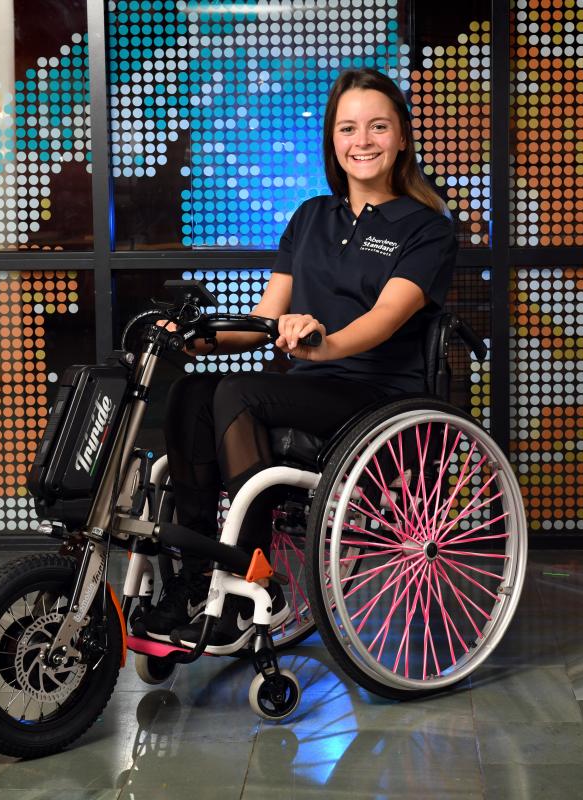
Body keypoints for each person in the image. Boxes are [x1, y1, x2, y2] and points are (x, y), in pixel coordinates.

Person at [141, 67, 457, 650]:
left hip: (380, 397)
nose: (363, 141)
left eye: (378, 126)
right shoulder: (311, 216)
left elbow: (385, 318)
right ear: (333, 141)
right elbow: (265, 318)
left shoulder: (427, 230)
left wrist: (322, 342)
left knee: (238, 393)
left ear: (402, 137)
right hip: (313, 388)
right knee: (191, 391)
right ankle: (197, 576)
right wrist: (194, 338)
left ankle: (250, 577)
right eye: (348, 128)